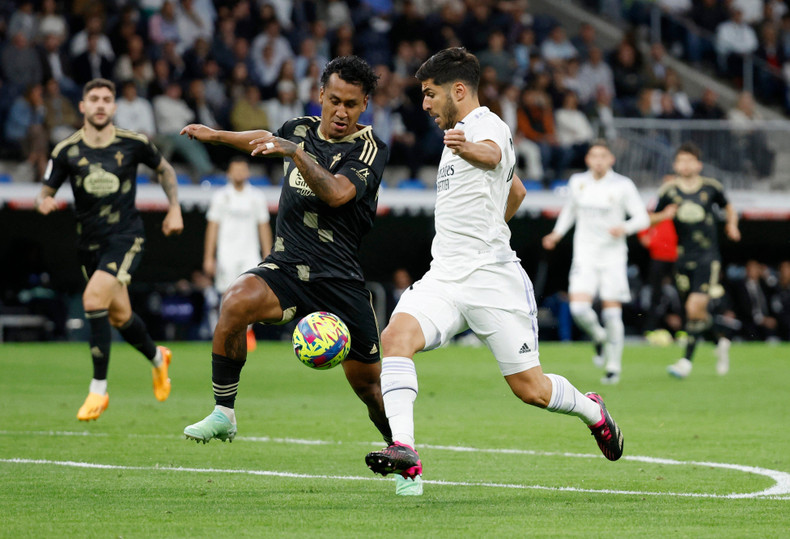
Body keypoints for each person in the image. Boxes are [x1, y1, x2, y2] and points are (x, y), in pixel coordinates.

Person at [364, 48, 624, 498]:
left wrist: (471, 151)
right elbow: (515, 188)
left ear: (458, 91)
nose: (424, 104)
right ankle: (404, 449)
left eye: (429, 94)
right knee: (395, 340)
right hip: (444, 277)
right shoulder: (455, 138)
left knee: (531, 389)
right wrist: (490, 221)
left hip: (493, 281)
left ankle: (593, 411)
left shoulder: (486, 127)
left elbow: (491, 154)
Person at [178, 56, 393, 452]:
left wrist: (296, 154)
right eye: (335, 100)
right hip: (287, 267)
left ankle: (403, 451)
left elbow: (338, 194)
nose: (341, 111)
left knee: (371, 389)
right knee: (235, 302)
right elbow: (262, 137)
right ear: (321, 95)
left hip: (339, 279)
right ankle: (224, 412)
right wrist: (217, 135)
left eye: (351, 104)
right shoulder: (298, 129)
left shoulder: (369, 149)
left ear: (364, 106)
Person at [34, 78, 183, 421]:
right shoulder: (66, 150)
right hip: (89, 244)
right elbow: (45, 191)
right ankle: (159, 359)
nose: (100, 105)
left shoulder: (133, 143)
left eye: (106, 99)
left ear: (114, 107)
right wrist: (44, 202)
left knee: (92, 300)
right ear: (83, 107)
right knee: (118, 316)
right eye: (94, 99)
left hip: (126, 238)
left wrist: (174, 208)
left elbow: (165, 169)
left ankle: (98, 390)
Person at [542, 141, 649, 385]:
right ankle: (599, 337)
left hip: (612, 256)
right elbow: (570, 211)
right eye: (594, 156)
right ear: (588, 160)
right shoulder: (578, 182)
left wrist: (625, 227)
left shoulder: (623, 185)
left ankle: (613, 366)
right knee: (579, 309)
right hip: (585, 255)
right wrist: (556, 234)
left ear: (611, 159)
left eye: (603, 156)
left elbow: (642, 218)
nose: (598, 160)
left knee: (612, 313)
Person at [651, 142, 740, 378]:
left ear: (699, 165)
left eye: (690, 160)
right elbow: (650, 219)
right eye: (681, 160)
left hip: (707, 257)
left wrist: (732, 224)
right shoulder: (669, 190)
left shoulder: (711, 187)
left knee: (693, 308)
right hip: (682, 258)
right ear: (675, 164)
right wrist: (663, 215)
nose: (686, 165)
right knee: (695, 314)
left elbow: (729, 208)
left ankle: (686, 362)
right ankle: (721, 338)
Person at [204, 157, 273, 348]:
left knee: (251, 296)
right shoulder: (220, 196)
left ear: (248, 172)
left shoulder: (257, 196)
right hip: (226, 254)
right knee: (226, 296)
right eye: (236, 170)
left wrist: (268, 253)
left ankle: (247, 333)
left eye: (243, 170)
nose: (239, 173)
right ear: (229, 173)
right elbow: (213, 227)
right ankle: (225, 334)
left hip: (250, 254)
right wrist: (209, 257)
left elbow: (263, 226)